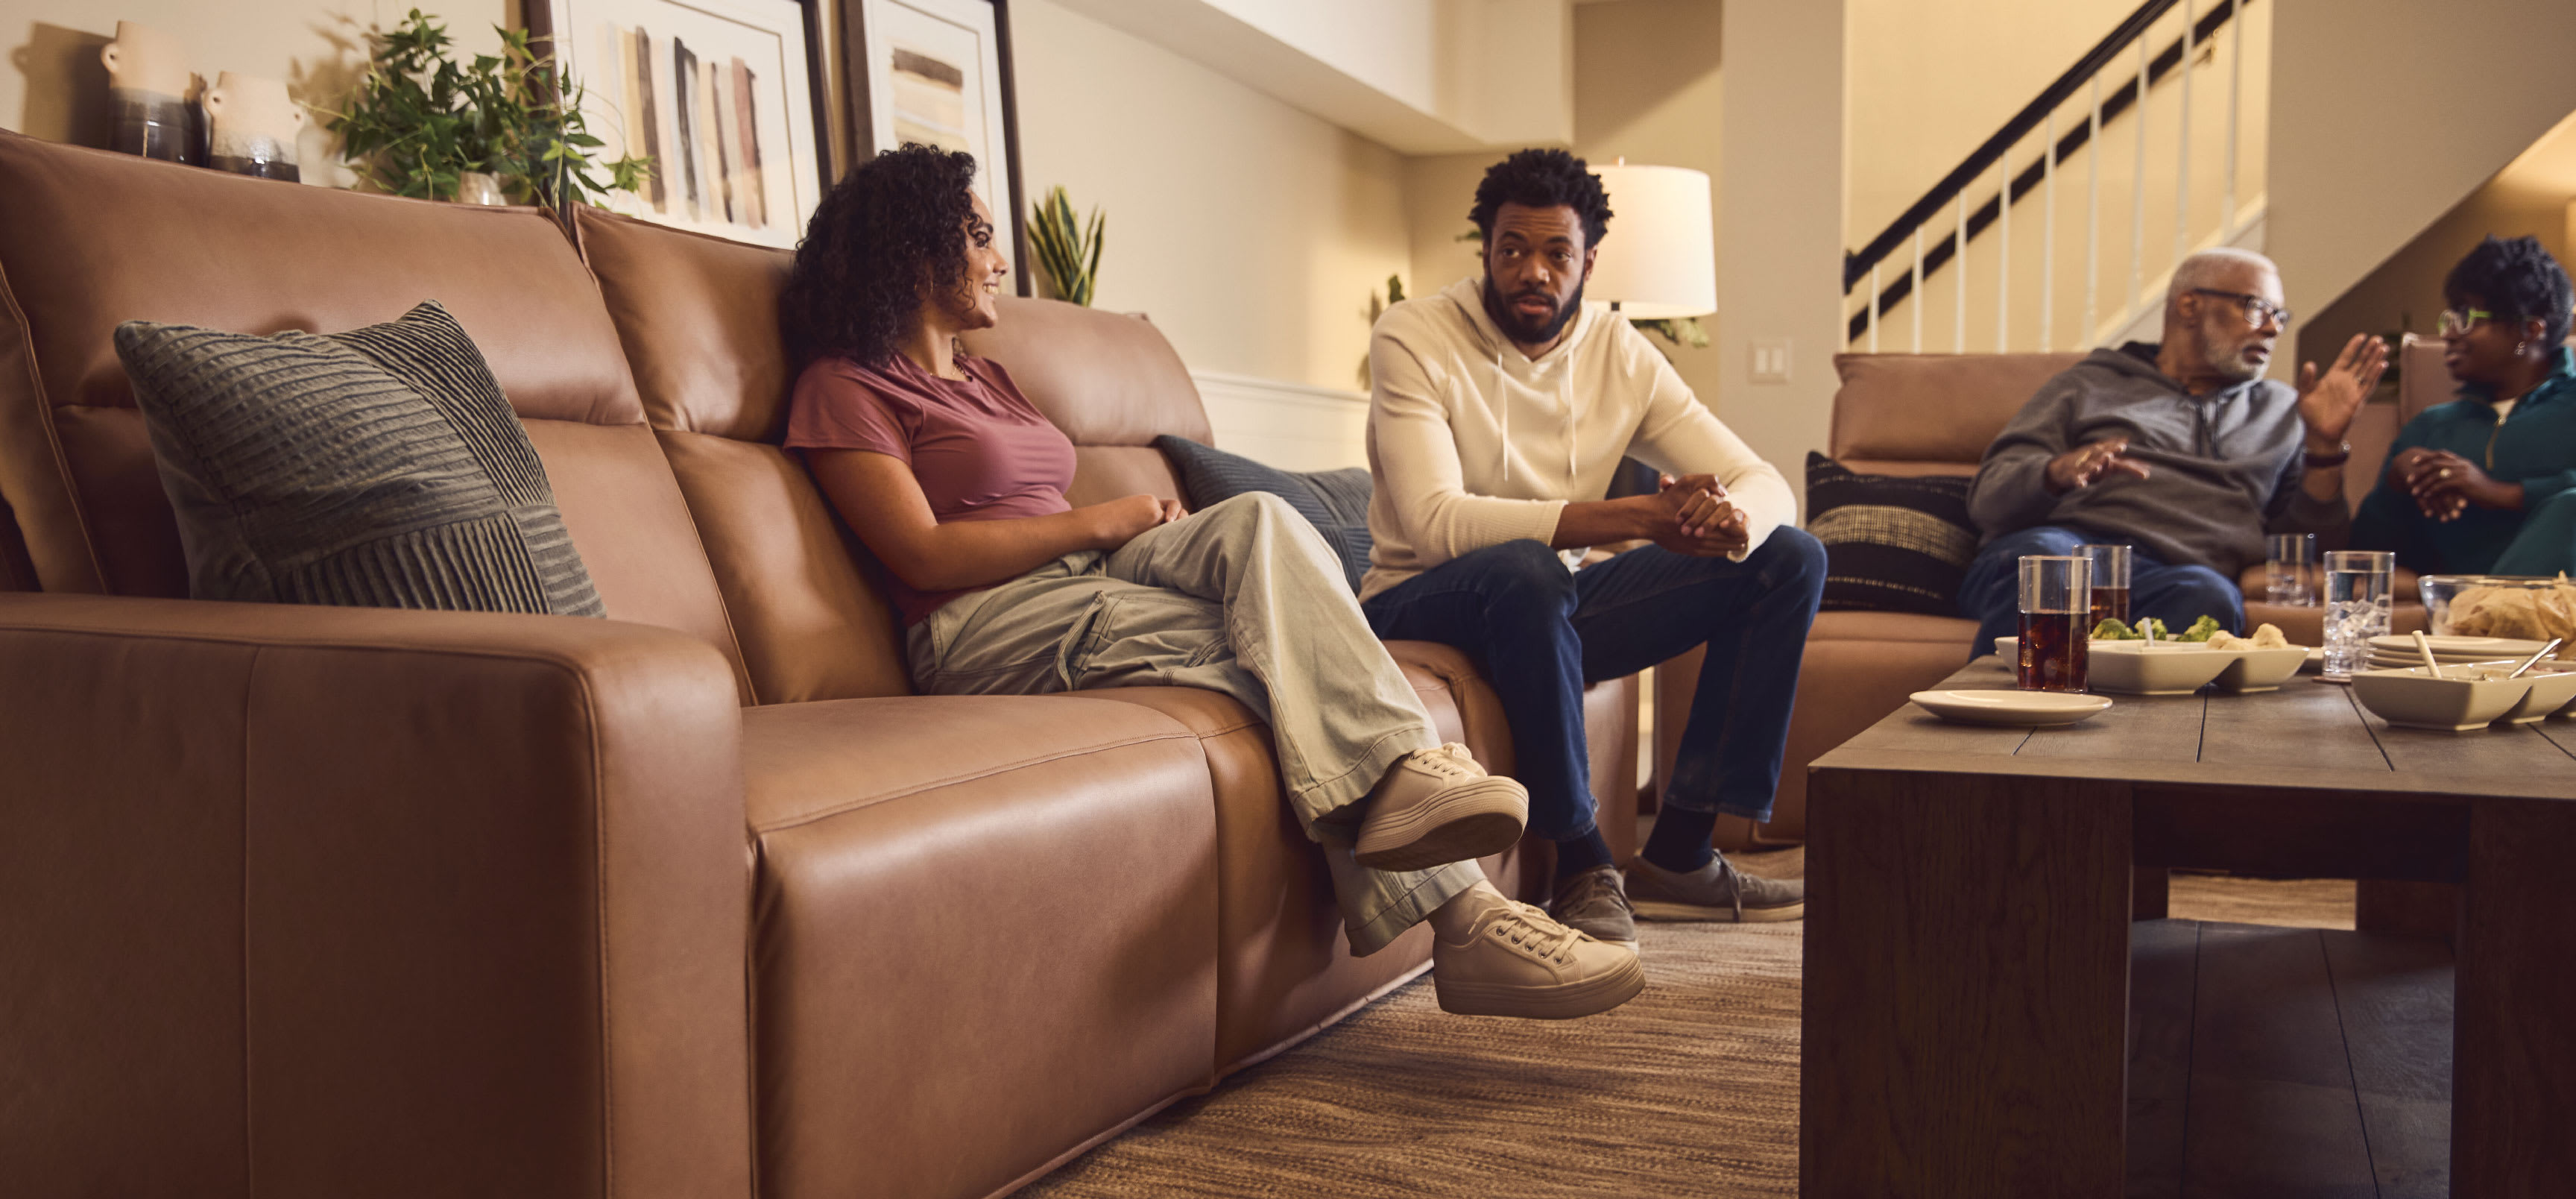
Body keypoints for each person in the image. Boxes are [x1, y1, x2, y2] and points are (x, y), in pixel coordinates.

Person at [778, 145, 1642, 1020]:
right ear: (915, 250)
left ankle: (1415, 780)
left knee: (1259, 518)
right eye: (978, 238)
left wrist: (1130, 531)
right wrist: (1101, 521)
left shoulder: (985, 375)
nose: (999, 260)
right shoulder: (845, 387)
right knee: (1276, 667)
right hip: (988, 619)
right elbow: (922, 554)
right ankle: (1470, 918)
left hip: (1087, 573)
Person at [1358, 148, 1823, 949]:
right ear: (1485, 250)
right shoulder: (1414, 335)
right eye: (1512, 249)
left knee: (1789, 558)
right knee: (1530, 568)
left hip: (1544, 604)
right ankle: (1582, 862)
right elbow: (1435, 522)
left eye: (1556, 253)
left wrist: (1733, 522)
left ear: (1590, 261)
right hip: (1420, 599)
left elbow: (1764, 480)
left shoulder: (1620, 352)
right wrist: (1636, 516)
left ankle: (1680, 853)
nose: (1532, 272)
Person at [1959, 248, 2388, 652]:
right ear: (2189, 306)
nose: (2273, 328)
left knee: (2210, 597)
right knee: (2052, 565)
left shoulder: (2283, 411)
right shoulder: (2086, 385)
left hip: (2175, 575)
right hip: (2070, 548)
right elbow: (1987, 499)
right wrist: (2056, 471)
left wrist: (2324, 447)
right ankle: (1998, 705)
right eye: (2256, 308)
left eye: (2279, 316)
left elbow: (2306, 548)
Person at [2352, 235, 2576, 577]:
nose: (2450, 333)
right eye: (2451, 317)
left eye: (2468, 317)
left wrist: (2503, 494)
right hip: (2458, 602)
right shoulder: (2430, 429)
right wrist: (2397, 480)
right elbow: (2368, 555)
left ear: (2529, 331)